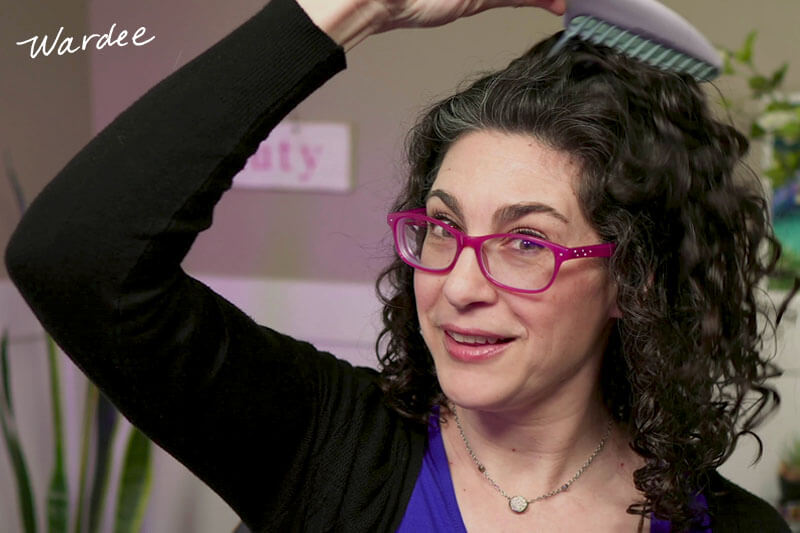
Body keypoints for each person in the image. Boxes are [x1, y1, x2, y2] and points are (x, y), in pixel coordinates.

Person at [4, 0, 792, 531]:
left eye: (525, 242)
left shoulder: (734, 524)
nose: (458, 284)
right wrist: (355, 8)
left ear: (633, 280)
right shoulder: (326, 442)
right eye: (442, 229)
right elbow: (78, 258)